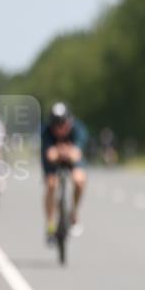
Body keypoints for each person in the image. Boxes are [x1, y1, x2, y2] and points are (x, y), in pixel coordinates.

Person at [41, 102, 88, 240]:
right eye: (56, 125)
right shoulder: (46, 132)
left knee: (79, 180)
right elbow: (50, 155)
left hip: (71, 160)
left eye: (62, 124)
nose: (59, 128)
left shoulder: (78, 129)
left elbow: (77, 154)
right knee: (51, 184)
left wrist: (63, 152)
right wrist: (62, 152)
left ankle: (73, 213)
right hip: (53, 162)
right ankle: (50, 224)